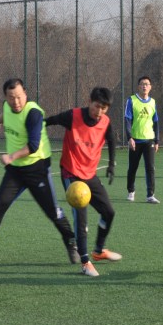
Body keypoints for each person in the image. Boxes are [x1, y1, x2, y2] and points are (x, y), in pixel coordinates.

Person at [0, 78, 79, 268]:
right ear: (5, 97)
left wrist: (11, 157)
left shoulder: (33, 113)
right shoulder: (7, 106)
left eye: (19, 97)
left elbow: (33, 146)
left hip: (37, 168)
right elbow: (6, 113)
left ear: (25, 93)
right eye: (11, 97)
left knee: (53, 211)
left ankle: (71, 242)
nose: (16, 101)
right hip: (16, 171)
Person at [44, 87, 122, 277]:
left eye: (104, 108)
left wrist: (111, 164)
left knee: (108, 212)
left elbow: (112, 140)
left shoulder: (105, 122)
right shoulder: (73, 116)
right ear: (89, 102)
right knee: (81, 218)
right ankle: (85, 262)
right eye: (97, 106)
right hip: (71, 173)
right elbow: (50, 121)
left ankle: (99, 250)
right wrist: (33, 128)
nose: (99, 111)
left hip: (89, 174)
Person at [124, 75, 160, 204]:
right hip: (135, 140)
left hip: (149, 140)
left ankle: (150, 195)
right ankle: (131, 191)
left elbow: (156, 122)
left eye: (147, 84)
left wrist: (157, 140)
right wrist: (130, 138)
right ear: (138, 86)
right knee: (133, 167)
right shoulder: (131, 100)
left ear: (150, 87)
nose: (144, 86)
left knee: (150, 168)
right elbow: (127, 120)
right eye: (142, 84)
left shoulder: (153, 102)